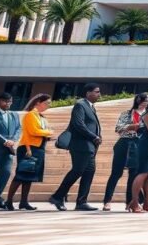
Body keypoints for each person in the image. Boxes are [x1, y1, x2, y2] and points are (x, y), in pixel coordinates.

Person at [49, 82, 103, 211]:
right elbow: (78, 124)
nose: (99, 94)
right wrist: (93, 136)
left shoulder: (90, 107)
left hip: (90, 146)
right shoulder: (80, 105)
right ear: (88, 93)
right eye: (97, 91)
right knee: (77, 170)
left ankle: (81, 202)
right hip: (81, 145)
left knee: (89, 172)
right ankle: (57, 196)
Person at [4, 93, 51, 210]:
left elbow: (42, 131)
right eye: (46, 103)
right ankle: (8, 201)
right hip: (28, 149)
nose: (47, 106)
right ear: (38, 102)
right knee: (21, 175)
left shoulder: (41, 117)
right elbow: (34, 131)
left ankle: (23, 202)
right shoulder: (31, 115)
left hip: (38, 148)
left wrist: (47, 133)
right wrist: (48, 132)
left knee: (29, 176)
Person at [101, 92, 146, 211]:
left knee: (134, 174)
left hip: (139, 144)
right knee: (116, 173)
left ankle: (129, 202)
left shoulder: (147, 115)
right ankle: (107, 201)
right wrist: (130, 127)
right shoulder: (126, 114)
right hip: (125, 142)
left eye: (145, 102)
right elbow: (118, 128)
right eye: (141, 101)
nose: (143, 104)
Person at [0, 92, 20, 209]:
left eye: (10, 101)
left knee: (6, 174)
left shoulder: (14, 115)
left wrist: (13, 140)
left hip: (8, 152)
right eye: (5, 101)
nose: (8, 103)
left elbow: (18, 129)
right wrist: (5, 141)